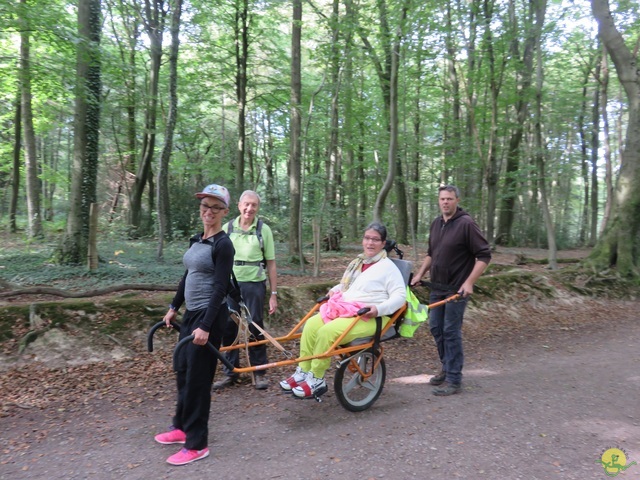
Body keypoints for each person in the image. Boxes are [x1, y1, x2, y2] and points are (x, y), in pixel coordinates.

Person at [153, 184, 234, 466]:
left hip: (209, 317)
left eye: (214, 207)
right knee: (184, 371)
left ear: (224, 211)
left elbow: (220, 288)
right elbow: (187, 276)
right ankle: (181, 426)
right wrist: (174, 307)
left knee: (199, 380)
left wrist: (206, 326)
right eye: (204, 205)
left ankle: (197, 443)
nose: (208, 211)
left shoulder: (224, 245)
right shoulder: (197, 239)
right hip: (191, 315)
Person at [279, 222, 406, 399]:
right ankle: (304, 371)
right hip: (347, 310)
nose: (370, 243)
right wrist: (335, 289)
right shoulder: (359, 262)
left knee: (326, 332)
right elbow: (350, 285)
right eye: (367, 238)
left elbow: (400, 296)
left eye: (375, 240)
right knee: (310, 325)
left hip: (372, 317)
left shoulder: (388, 268)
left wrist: (377, 309)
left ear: (383, 243)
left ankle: (317, 379)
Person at [411, 185, 491, 396]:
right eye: (442, 199)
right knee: (436, 328)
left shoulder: (466, 224)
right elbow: (431, 253)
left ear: (457, 200)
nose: (445, 202)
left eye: (449, 198)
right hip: (437, 288)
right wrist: (420, 274)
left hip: (456, 290)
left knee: (450, 331)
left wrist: (469, 282)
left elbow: (484, 256)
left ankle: (454, 379)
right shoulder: (436, 224)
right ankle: (447, 369)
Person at [213, 190, 278, 391]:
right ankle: (230, 371)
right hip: (229, 283)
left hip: (254, 283)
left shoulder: (263, 229)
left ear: (258, 208)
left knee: (254, 325)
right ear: (239, 205)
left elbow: (271, 263)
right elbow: (216, 258)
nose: (250, 208)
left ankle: (259, 372)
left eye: (254, 205)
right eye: (246, 204)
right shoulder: (227, 227)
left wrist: (274, 294)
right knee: (227, 326)